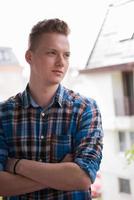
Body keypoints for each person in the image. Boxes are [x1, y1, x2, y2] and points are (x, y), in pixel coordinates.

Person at [0, 18, 103, 200]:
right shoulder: (4, 114)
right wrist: (61, 174)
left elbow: (83, 177)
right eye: (52, 53)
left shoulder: (86, 109)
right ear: (29, 57)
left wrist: (17, 166)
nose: (61, 62)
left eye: (66, 55)